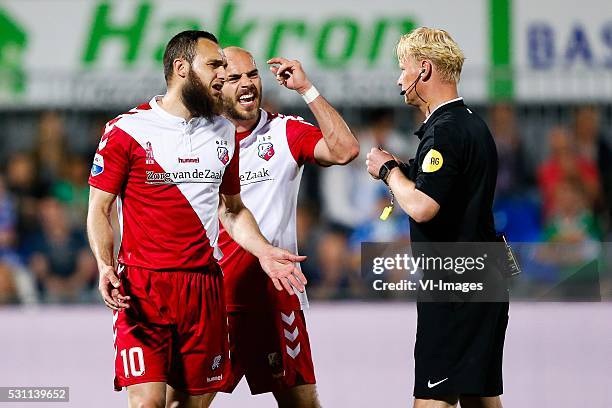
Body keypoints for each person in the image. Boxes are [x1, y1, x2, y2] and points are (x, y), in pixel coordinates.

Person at [87, 31, 307, 408]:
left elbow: (233, 210)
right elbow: (98, 210)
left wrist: (265, 251)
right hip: (142, 287)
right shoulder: (126, 130)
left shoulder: (223, 131)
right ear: (181, 68)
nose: (223, 73)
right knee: (147, 403)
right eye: (215, 65)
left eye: (224, 64)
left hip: (204, 288)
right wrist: (105, 266)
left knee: (186, 405)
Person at [366, 27, 508, 408]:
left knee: (433, 398)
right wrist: (407, 168)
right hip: (485, 276)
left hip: (455, 283)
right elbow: (451, 186)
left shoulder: (444, 132)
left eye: (402, 68)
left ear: (423, 70)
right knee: (480, 397)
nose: (399, 79)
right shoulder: (472, 124)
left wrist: (387, 171)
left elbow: (422, 206)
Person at [215, 47, 359, 407]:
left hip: (273, 298)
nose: (247, 84)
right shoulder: (199, 140)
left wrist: (307, 89)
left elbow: (345, 150)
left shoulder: (284, 132)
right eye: (235, 78)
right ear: (216, 85)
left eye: (252, 75)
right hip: (214, 297)